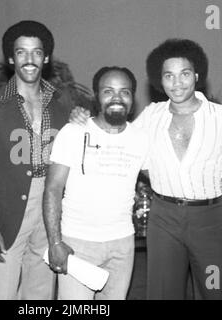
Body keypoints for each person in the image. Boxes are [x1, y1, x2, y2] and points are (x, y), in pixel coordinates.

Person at [70, 39, 222, 300]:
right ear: (160, 80)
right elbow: (116, 135)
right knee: (164, 292)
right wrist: (82, 120)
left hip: (209, 220)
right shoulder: (152, 117)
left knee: (217, 289)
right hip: (164, 218)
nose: (177, 83)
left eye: (184, 74)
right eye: (169, 76)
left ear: (197, 76)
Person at [0, 20, 76, 300]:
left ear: (46, 57)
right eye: (22, 52)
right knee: (2, 294)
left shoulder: (62, 101)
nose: (29, 59)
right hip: (5, 213)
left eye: (37, 52)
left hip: (50, 207)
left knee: (39, 292)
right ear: (10, 57)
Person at [43, 67, 148, 300]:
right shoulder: (73, 132)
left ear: (132, 98)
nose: (117, 98)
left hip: (122, 245)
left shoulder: (141, 139)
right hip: (77, 243)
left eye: (125, 92)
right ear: (96, 97)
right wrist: (55, 242)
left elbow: (164, 177)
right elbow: (52, 189)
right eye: (108, 91)